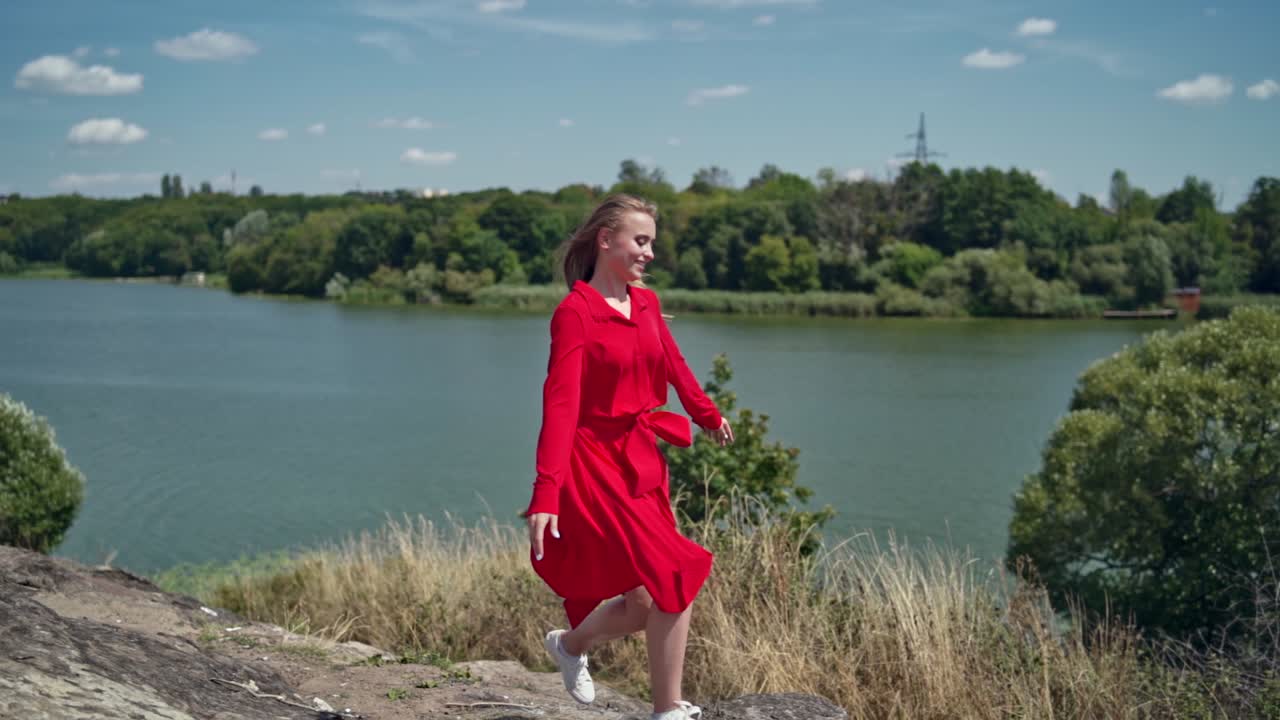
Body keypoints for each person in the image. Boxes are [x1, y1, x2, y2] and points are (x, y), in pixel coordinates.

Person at [524, 194, 734, 720]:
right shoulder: (575, 314)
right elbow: (561, 405)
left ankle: (570, 646)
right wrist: (545, 491)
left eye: (652, 244)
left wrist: (705, 412)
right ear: (606, 240)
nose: (649, 253)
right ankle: (667, 709)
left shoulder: (644, 302)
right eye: (641, 241)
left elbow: (671, 361)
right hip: (594, 464)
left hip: (642, 460)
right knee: (676, 572)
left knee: (647, 601)